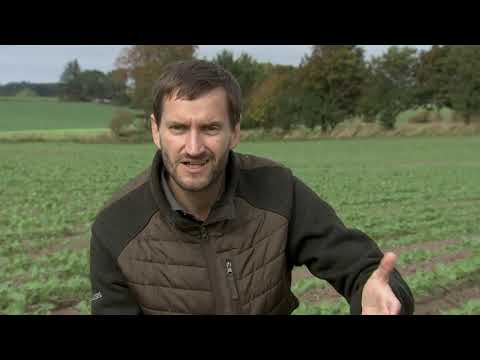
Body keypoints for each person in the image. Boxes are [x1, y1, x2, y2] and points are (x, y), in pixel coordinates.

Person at [90, 59, 415, 315]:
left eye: (210, 128)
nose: (193, 147)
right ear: (155, 131)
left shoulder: (276, 190)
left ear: (235, 132)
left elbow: (360, 268)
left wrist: (380, 296)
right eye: (178, 128)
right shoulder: (117, 227)